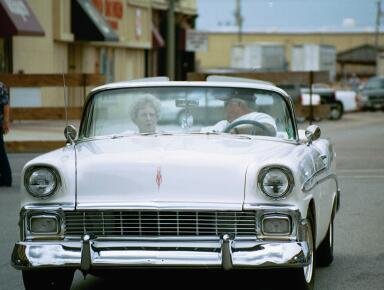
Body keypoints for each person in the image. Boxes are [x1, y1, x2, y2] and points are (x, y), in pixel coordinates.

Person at [202, 91, 277, 136]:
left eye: (227, 103)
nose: (225, 108)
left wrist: (236, 131)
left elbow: (269, 129)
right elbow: (202, 133)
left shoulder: (258, 117)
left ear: (239, 104)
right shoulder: (223, 124)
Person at [0, 81, 12, 187]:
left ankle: (6, 179)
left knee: (1, 153)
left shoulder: (0, 86)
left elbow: (5, 105)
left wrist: (6, 121)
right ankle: (5, 178)